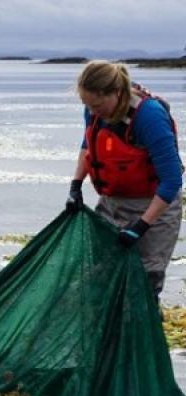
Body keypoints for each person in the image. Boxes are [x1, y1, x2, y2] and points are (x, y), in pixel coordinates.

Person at [66, 60, 183, 306]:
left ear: (117, 93)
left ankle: (142, 338)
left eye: (97, 105)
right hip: (112, 204)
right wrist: (76, 186)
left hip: (155, 208)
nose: (93, 112)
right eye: (87, 105)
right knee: (103, 274)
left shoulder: (148, 116)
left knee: (143, 282)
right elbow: (88, 145)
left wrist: (141, 226)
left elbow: (172, 179)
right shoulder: (94, 111)